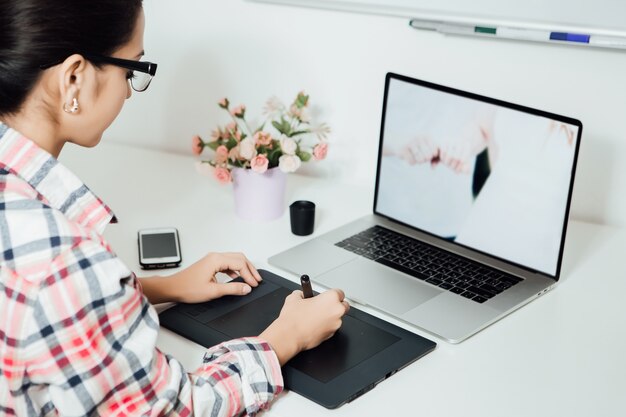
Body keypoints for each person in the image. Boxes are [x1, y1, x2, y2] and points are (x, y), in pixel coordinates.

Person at [0, 1, 349, 416]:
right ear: (74, 78)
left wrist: (163, 286)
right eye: (130, 70)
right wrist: (287, 336)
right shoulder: (64, 264)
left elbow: (29, 310)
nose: (129, 90)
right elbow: (180, 407)